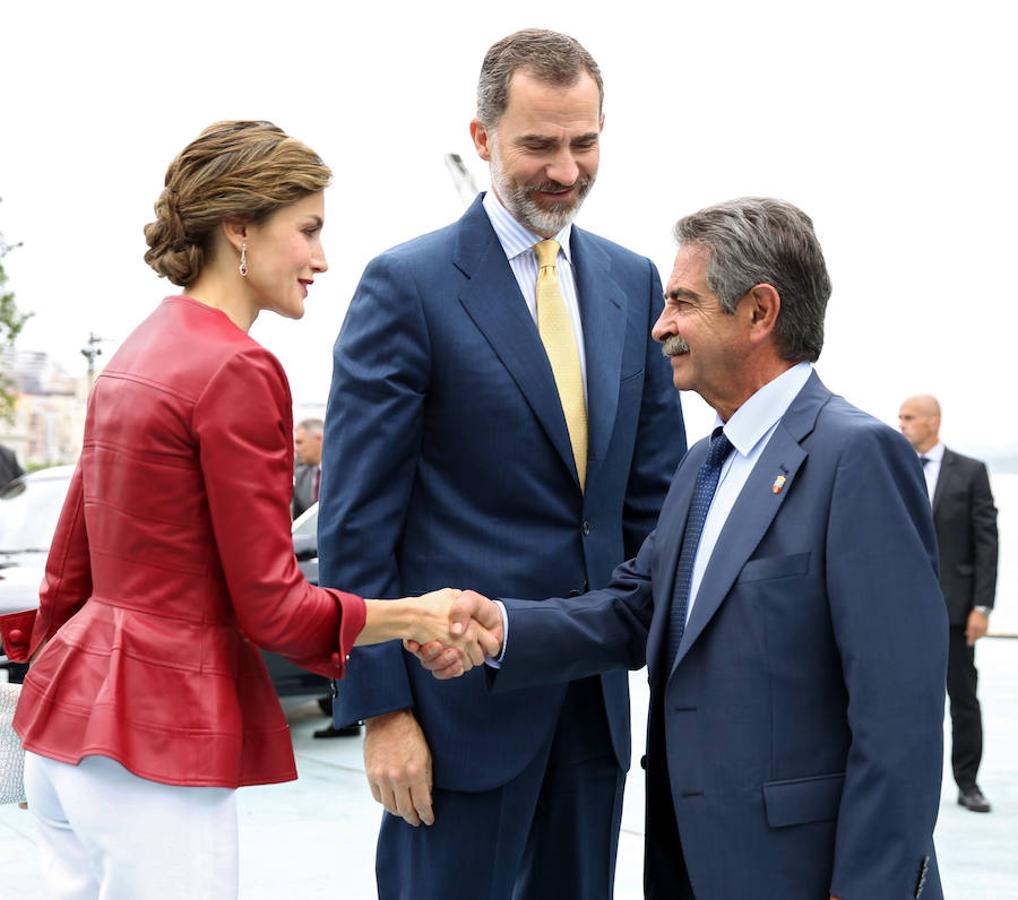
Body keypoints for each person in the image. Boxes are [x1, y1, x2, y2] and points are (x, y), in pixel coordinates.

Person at [0, 120, 499, 899]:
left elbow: (71, 567)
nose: (322, 258)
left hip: (66, 733)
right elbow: (273, 610)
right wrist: (419, 617)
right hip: (154, 742)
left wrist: (42, 700)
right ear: (239, 226)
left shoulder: (137, 350)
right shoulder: (237, 367)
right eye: (307, 230)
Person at [424, 198, 948, 899]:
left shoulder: (858, 457)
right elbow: (635, 609)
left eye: (682, 302)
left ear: (759, 312)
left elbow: (899, 721)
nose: (659, 325)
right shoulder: (703, 465)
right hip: (693, 866)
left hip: (804, 874)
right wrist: (503, 627)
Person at [318, 28, 684, 900]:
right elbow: (357, 521)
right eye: (539, 145)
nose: (566, 170)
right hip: (451, 720)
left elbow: (653, 503)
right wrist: (383, 709)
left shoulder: (633, 282)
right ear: (482, 139)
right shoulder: (405, 285)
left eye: (584, 142)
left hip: (593, 711)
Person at [899, 394, 999, 813]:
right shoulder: (895, 466)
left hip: (956, 610)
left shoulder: (970, 471)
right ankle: (905, 782)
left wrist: (982, 606)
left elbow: (986, 542)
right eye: (900, 417)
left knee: (963, 698)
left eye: (909, 417)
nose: (901, 424)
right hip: (903, 611)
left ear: (933, 422)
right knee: (900, 699)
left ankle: (968, 783)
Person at [292, 417, 324, 519]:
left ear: (319, 439)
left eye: (299, 442)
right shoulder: (299, 475)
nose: (296, 449)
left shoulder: (346, 474)